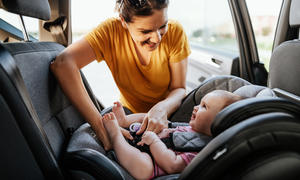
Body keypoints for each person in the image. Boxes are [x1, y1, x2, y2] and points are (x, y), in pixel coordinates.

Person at [50, 0, 191, 150]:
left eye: (163, 26)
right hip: (131, 114)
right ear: (124, 21)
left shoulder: (176, 32)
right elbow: (62, 64)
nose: (157, 38)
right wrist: (100, 128)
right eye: (145, 31)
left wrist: (161, 109)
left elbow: (179, 89)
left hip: (171, 111)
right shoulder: (110, 32)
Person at [102, 90, 245, 179]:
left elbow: (172, 165)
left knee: (144, 169)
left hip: (153, 163)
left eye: (204, 107)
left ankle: (115, 135)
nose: (195, 108)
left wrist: (154, 142)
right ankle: (124, 121)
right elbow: (170, 129)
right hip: (146, 139)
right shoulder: (191, 128)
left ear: (218, 123)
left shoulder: (202, 151)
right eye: (200, 103)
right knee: (152, 117)